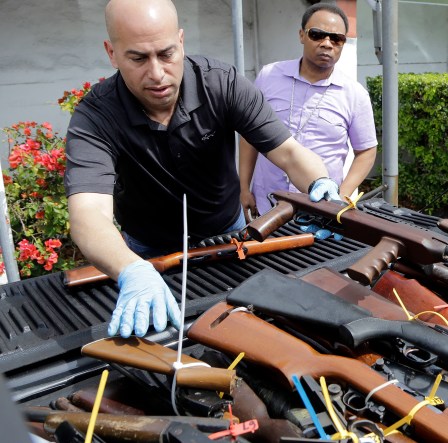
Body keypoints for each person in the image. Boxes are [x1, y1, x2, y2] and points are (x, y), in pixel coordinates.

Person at [64, 0, 340, 338]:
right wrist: (131, 270)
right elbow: (88, 213)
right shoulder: (96, 117)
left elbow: (287, 151)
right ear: (111, 52)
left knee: (245, 328)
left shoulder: (221, 84)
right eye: (138, 58)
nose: (156, 73)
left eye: (166, 54)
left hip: (229, 234)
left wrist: (320, 183)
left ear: (181, 41)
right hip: (148, 253)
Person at [239, 3, 377, 219]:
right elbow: (250, 134)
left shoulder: (354, 94)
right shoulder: (269, 76)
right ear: (302, 35)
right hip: (267, 204)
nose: (327, 44)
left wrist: (341, 196)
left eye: (336, 39)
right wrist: (244, 187)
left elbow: (366, 150)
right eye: (317, 35)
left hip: (321, 211)